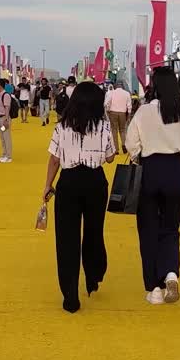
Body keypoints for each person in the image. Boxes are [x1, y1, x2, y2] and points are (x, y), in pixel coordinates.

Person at [125, 67, 180, 306]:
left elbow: (130, 144)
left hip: (150, 171)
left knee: (148, 231)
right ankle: (170, 273)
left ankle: (154, 289)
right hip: (174, 172)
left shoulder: (144, 112)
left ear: (154, 85)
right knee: (170, 228)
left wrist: (141, 155)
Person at [42, 82, 116, 314]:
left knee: (66, 239)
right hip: (95, 181)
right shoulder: (103, 126)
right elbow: (111, 157)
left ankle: (70, 296)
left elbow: (54, 159)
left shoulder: (62, 126)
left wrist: (47, 185)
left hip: (69, 182)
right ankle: (93, 275)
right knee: (94, 232)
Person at [104, 81, 132, 154]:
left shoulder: (111, 93)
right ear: (122, 86)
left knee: (114, 131)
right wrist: (128, 116)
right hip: (123, 113)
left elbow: (106, 103)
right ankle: (123, 144)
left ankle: (116, 149)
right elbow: (129, 106)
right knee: (122, 130)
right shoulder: (127, 93)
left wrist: (107, 111)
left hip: (113, 113)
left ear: (115, 86)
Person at [0, 79, 15, 163]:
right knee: (2, 137)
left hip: (4, 118)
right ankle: (4, 154)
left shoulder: (5, 95)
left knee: (6, 137)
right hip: (0, 118)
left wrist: (6, 119)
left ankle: (8, 156)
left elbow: (7, 108)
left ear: (0, 86)